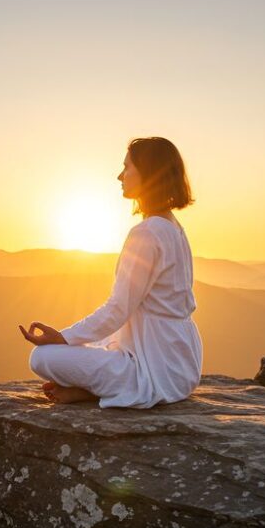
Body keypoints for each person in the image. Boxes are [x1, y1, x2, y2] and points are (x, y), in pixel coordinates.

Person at [19, 136, 203, 408]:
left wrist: (63, 337)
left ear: (148, 173)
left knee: (41, 357)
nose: (120, 176)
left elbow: (118, 309)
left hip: (154, 370)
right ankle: (95, 389)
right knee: (96, 343)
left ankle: (103, 389)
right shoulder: (173, 227)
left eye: (127, 167)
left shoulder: (147, 232)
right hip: (182, 366)